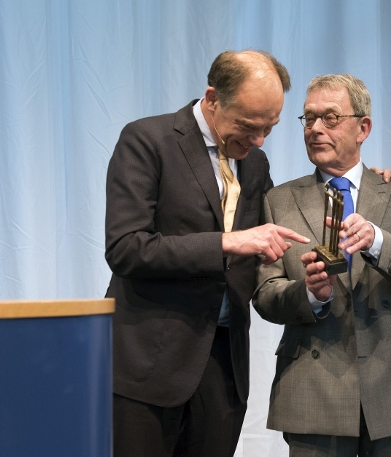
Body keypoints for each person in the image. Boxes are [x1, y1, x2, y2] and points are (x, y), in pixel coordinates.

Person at [104, 50, 311, 457]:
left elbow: (281, 222)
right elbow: (126, 247)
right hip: (149, 364)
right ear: (213, 98)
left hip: (223, 368)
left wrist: (375, 186)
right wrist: (226, 242)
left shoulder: (256, 163)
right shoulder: (148, 140)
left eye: (270, 128)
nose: (258, 141)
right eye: (249, 126)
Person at [253, 74, 391, 457]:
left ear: (363, 127)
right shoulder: (278, 201)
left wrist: (379, 240)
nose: (316, 129)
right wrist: (308, 293)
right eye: (308, 119)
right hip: (312, 390)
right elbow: (264, 294)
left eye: (331, 117)